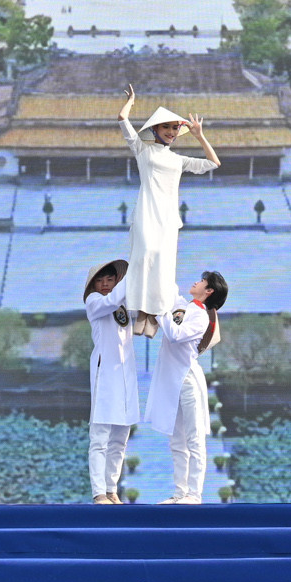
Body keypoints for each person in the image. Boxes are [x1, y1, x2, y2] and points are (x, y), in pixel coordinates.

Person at [116, 86, 220, 337]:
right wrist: (131, 101)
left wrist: (199, 136)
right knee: (143, 257)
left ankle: (154, 315)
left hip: (168, 218)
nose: (171, 133)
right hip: (145, 214)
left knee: (163, 264)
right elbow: (122, 120)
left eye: (175, 128)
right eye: (166, 128)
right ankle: (140, 310)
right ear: (155, 129)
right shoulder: (143, 149)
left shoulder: (178, 159)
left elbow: (213, 163)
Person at [145, 270, 227, 505]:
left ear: (209, 291)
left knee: (194, 438)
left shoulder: (201, 316)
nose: (196, 282)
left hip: (188, 380)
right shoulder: (183, 306)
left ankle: (194, 494)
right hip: (172, 382)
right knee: (176, 441)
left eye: (202, 281)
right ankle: (180, 492)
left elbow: (174, 334)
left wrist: (161, 312)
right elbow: (167, 288)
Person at [83, 259, 140, 504]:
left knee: (120, 435)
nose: (105, 284)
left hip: (125, 375)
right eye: (100, 280)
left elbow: (145, 311)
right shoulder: (95, 302)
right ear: (93, 284)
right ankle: (98, 492)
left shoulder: (122, 306)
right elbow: (112, 300)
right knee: (100, 435)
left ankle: (111, 489)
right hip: (104, 372)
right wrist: (136, 266)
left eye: (110, 279)